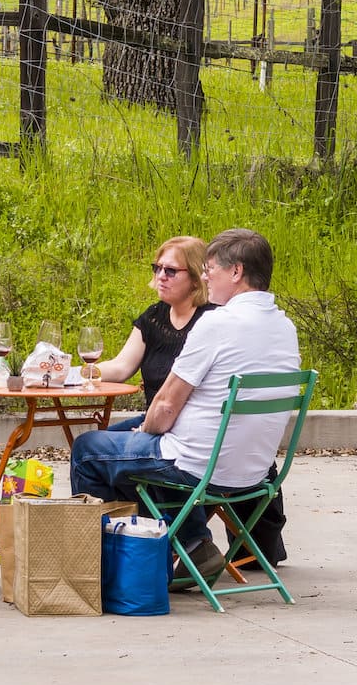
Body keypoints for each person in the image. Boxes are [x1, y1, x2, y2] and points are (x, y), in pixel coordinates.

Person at [69, 228, 301, 588]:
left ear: (236, 272)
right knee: (121, 446)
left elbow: (163, 406)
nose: (207, 277)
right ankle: (189, 544)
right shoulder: (284, 327)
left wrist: (144, 432)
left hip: (197, 466)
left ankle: (108, 570)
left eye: (211, 269)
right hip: (253, 473)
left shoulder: (217, 323)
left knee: (88, 450)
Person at [98, 235, 218, 421]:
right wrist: (71, 373)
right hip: (152, 419)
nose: (161, 276)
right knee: (89, 441)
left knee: (88, 445)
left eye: (171, 271)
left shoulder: (211, 320)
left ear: (196, 278)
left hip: (188, 427)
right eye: (157, 268)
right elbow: (121, 367)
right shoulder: (154, 316)